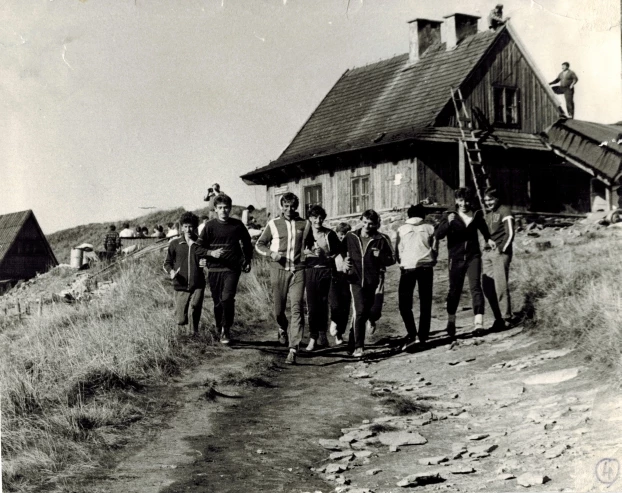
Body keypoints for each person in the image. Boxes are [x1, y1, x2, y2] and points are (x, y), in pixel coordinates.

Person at [255, 193, 308, 364]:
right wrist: (271, 253)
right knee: (279, 311)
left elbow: (310, 244)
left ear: (296, 206)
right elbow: (259, 244)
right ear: (281, 206)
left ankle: (293, 348)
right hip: (278, 270)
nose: (289, 209)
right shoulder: (273, 224)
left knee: (297, 307)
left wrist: (312, 252)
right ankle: (281, 327)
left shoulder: (305, 224)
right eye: (286, 206)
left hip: (298, 270)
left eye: (292, 206)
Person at [436, 188, 495, 337]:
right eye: (461, 200)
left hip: (473, 256)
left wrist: (489, 239)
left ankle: (478, 323)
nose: (464, 204)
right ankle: (451, 321)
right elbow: (438, 234)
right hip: (455, 258)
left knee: (475, 286)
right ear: (456, 200)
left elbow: (483, 228)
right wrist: (447, 224)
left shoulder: (476, 213)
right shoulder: (449, 215)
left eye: (466, 200)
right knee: (454, 290)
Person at [199, 194, 253, 344]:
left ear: (230, 208)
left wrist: (247, 260)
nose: (223, 210)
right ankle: (219, 326)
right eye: (220, 208)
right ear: (215, 209)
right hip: (214, 269)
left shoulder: (237, 225)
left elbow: (247, 243)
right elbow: (199, 248)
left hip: (232, 269)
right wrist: (211, 253)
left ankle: (226, 329)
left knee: (227, 299)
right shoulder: (209, 226)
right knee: (217, 302)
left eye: (226, 208)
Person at [342, 210, 395, 358]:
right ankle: (359, 347)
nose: (367, 226)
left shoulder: (382, 239)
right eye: (364, 222)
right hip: (355, 280)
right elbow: (340, 251)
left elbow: (392, 259)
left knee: (365, 312)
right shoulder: (351, 236)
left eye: (371, 224)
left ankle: (352, 343)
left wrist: (381, 256)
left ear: (376, 224)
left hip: (372, 281)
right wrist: (344, 263)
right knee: (359, 311)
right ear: (361, 220)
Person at [395, 203, 437, 351]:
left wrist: (404, 262)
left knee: (404, 303)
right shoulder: (430, 228)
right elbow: (435, 249)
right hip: (426, 267)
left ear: (408, 215)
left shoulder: (401, 229)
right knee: (425, 303)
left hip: (409, 268)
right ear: (423, 216)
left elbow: (398, 253)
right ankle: (423, 336)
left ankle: (412, 334)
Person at [163, 212, 210, 336]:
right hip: (181, 284)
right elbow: (167, 263)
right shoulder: (175, 244)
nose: (188, 229)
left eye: (191, 226)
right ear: (182, 227)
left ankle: (194, 334)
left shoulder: (201, 243)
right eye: (186, 226)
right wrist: (172, 272)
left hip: (198, 282)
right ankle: (181, 332)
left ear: (195, 227)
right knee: (181, 320)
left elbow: (209, 259)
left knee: (195, 307)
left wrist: (205, 262)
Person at [302, 205, 341, 351]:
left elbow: (338, 251)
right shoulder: (305, 234)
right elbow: (299, 251)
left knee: (330, 304)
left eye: (320, 217)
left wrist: (326, 255)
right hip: (311, 271)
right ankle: (313, 338)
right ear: (310, 218)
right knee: (313, 307)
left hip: (327, 271)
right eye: (314, 217)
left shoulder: (329, 234)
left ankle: (324, 333)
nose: (318, 220)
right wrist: (309, 251)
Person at [482, 188, 515, 331]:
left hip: (500, 253)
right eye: (486, 200)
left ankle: (506, 318)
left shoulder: (505, 211)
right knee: (488, 286)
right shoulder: (489, 214)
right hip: (488, 253)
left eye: (491, 199)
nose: (488, 202)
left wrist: (501, 249)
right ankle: (497, 318)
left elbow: (510, 233)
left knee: (500, 286)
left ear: (497, 199)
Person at [329, 222, 353, 345]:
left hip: (346, 279)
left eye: (345, 235)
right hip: (334, 278)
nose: (343, 237)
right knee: (335, 304)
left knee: (345, 306)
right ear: (337, 234)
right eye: (341, 234)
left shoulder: (350, 246)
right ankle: (334, 321)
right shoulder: (333, 246)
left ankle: (340, 333)